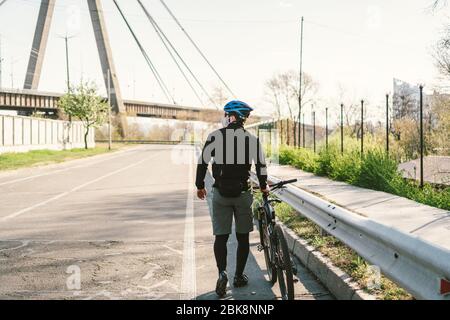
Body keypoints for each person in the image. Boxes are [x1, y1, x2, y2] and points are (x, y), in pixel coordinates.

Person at [195, 100, 269, 297]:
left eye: (226, 115)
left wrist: (200, 185)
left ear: (231, 116)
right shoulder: (252, 139)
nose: (224, 118)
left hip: (220, 194)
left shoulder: (215, 137)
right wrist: (263, 186)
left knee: (221, 237)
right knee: (243, 237)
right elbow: (261, 167)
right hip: (243, 194)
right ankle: (238, 276)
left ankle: (222, 272)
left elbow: (202, 162)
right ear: (244, 118)